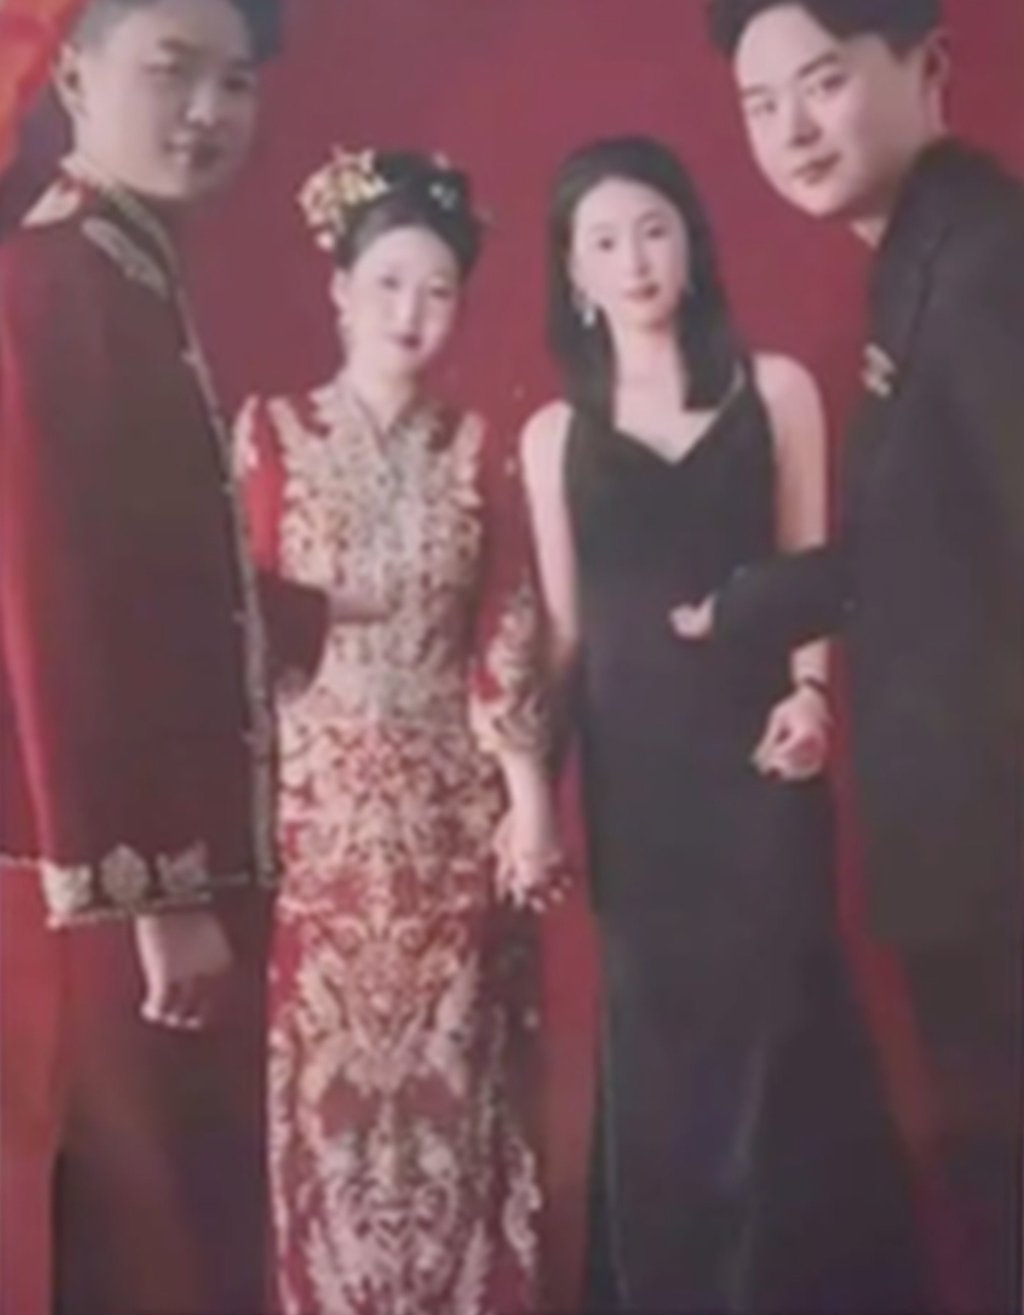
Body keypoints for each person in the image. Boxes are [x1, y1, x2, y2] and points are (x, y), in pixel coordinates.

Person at [520, 133, 917, 1313]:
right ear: (573, 273)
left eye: (653, 229)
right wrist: (528, 796)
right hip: (635, 796)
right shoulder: (553, 437)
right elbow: (562, 637)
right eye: (603, 241)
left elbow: (811, 573)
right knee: (662, 1075)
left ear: (691, 242)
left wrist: (809, 698)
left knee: (782, 1057)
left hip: (758, 768)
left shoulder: (775, 389)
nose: (634, 259)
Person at [681, 4, 1024, 1309]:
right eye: (759, 106)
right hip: (966, 859)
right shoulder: (922, 256)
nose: (791, 130)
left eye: (820, 84)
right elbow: (935, 542)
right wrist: (756, 600)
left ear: (926, 66)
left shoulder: (989, 263)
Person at [235, 146, 566, 1315]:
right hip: (315, 818)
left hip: (445, 815)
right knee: (326, 1093)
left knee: (455, 1083)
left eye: (437, 289)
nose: (410, 312)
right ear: (338, 288)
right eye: (386, 283)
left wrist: (527, 800)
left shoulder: (478, 447)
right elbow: (235, 619)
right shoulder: (269, 435)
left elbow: (507, 626)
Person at [0, 2, 284, 1312]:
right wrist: (155, 891)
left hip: (177, 863)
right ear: (72, 73)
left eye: (236, 82)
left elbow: (162, 580)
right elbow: (55, 600)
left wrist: (306, 619)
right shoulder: (50, 282)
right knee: (149, 1235)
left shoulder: (128, 269)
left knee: (195, 1222)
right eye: (172, 72)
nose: (209, 111)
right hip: (118, 885)